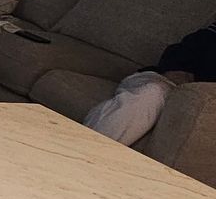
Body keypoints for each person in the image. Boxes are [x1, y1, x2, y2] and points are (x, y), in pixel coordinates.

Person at [85, 19, 216, 145]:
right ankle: (81, 150)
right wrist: (177, 70)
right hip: (163, 80)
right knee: (150, 94)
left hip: (199, 99)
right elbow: (177, 53)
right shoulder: (208, 34)